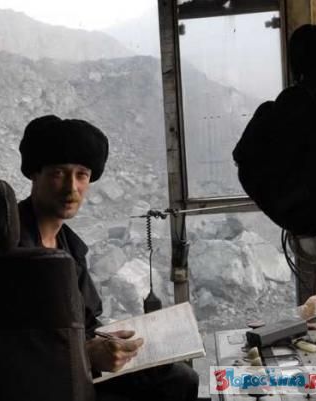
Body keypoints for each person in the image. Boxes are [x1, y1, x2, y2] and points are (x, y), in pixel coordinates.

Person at [17, 115, 199, 401]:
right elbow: (9, 341)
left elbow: (87, 320)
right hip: (42, 380)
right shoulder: (10, 247)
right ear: (34, 174)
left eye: (81, 175)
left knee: (180, 378)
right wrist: (86, 355)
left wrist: (110, 342)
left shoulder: (70, 246)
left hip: (77, 363)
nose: (71, 188)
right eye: (58, 173)